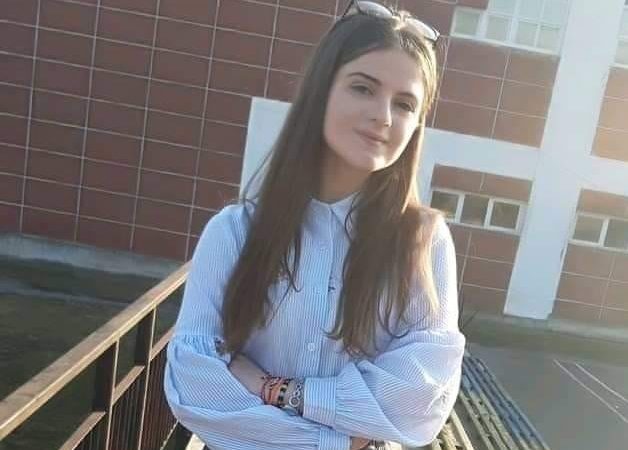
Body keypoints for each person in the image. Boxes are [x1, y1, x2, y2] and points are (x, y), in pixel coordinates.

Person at [163, 1, 465, 449]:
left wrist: (275, 389)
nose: (383, 116)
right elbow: (193, 380)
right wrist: (338, 441)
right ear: (321, 91)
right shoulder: (235, 232)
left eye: (404, 104)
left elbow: (421, 394)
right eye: (363, 88)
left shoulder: (423, 243)